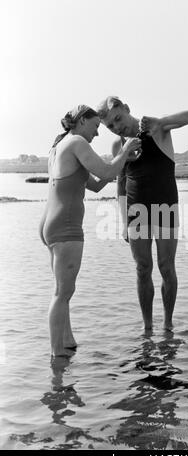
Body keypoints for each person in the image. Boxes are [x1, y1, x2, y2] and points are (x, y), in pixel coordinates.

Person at [39, 104, 141, 357]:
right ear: (82, 121)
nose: (97, 133)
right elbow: (106, 170)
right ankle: (56, 358)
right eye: (96, 126)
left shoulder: (59, 146)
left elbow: (95, 184)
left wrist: (122, 160)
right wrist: (126, 148)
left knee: (62, 291)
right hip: (66, 226)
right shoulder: (77, 143)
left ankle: (67, 342)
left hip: (49, 224)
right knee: (63, 293)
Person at [96, 97, 188, 331]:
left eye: (118, 119)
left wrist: (161, 121)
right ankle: (147, 327)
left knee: (166, 266)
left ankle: (168, 325)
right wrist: (123, 222)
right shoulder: (118, 145)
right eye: (110, 126)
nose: (117, 127)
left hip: (166, 205)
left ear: (127, 109)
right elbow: (120, 184)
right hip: (135, 210)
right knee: (142, 268)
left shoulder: (156, 128)